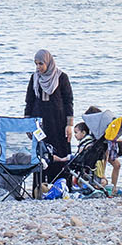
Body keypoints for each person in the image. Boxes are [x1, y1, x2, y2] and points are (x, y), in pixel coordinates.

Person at [24, 50, 74, 182]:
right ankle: (40, 186)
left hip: (58, 122)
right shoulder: (35, 78)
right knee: (41, 153)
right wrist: (27, 124)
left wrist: (69, 125)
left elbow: (68, 101)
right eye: (36, 64)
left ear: (48, 62)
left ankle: (62, 185)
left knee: (60, 151)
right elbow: (29, 101)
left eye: (41, 63)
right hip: (39, 123)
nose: (38, 67)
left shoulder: (61, 77)